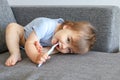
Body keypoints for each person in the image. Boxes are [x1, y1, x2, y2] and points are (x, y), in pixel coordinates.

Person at [5, 17, 96, 66]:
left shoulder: (59, 44)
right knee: (12, 27)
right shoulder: (46, 25)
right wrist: (36, 56)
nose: (64, 47)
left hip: (34, 44)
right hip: (23, 37)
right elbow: (30, 43)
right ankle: (15, 53)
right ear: (67, 27)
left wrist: (46, 51)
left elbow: (49, 50)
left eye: (69, 50)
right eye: (68, 40)